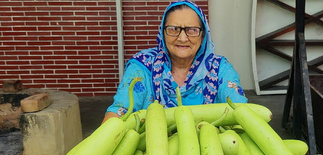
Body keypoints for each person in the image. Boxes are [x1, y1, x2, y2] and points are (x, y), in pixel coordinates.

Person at [103, 0, 247, 122]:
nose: (182, 38)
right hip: (151, 149)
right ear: (162, 33)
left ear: (203, 36)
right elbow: (119, 111)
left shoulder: (220, 69)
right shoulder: (143, 66)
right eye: (173, 29)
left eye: (192, 30)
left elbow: (241, 111)